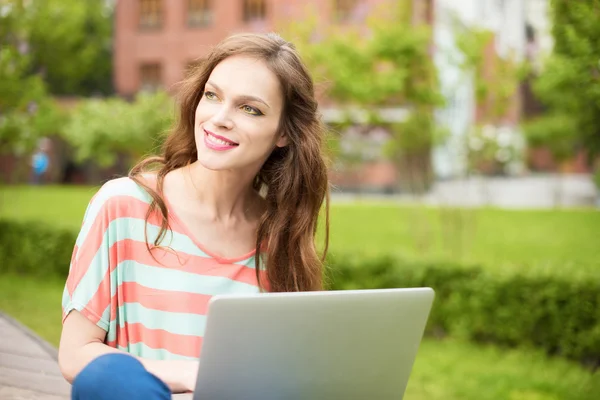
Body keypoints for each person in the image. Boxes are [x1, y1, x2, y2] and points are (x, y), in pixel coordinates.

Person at [58, 32, 331, 399]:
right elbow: (76, 356)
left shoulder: (279, 238)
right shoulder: (123, 205)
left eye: (250, 108)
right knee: (107, 377)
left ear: (283, 132)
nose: (219, 118)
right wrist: (190, 374)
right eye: (212, 95)